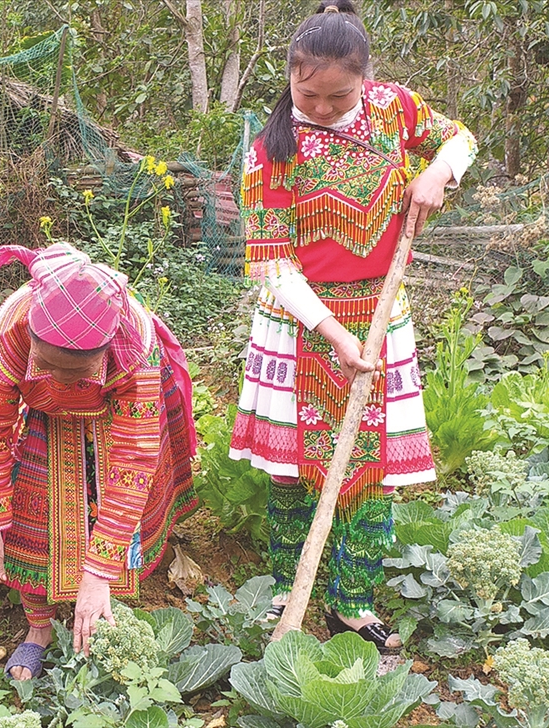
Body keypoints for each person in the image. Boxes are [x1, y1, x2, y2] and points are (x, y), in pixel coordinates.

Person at [227, 0, 477, 651]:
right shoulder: (268, 153)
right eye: (307, 93)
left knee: (370, 470)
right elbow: (273, 265)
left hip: (380, 318)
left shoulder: (396, 110)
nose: (323, 107)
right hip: (298, 322)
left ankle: (352, 604)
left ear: (365, 81)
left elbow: (463, 137)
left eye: (339, 97)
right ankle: (288, 591)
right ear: (290, 76)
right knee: (291, 469)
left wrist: (436, 172)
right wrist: (331, 333)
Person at [0, 243, 197, 680]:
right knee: (34, 501)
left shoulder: (134, 353)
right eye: (45, 365)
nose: (56, 377)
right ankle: (39, 629)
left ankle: (100, 600)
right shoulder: (9, 336)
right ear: (31, 339)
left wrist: (98, 571)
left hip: (115, 410)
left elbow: (134, 460)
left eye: (73, 373)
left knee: (114, 496)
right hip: (43, 413)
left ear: (104, 354)